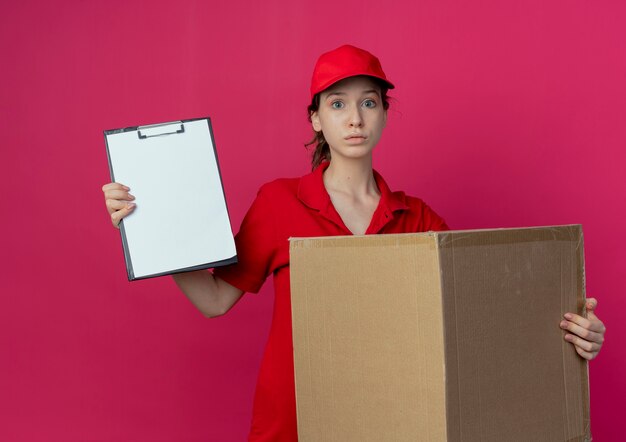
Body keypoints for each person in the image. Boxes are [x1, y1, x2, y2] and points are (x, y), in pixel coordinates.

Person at [102, 45, 606, 441]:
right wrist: (151, 228)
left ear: (385, 114)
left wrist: (572, 333)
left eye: (369, 102)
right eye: (337, 103)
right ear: (316, 119)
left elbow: (480, 325)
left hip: (393, 425)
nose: (355, 118)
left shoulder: (419, 218)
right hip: (293, 426)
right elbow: (214, 301)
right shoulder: (279, 203)